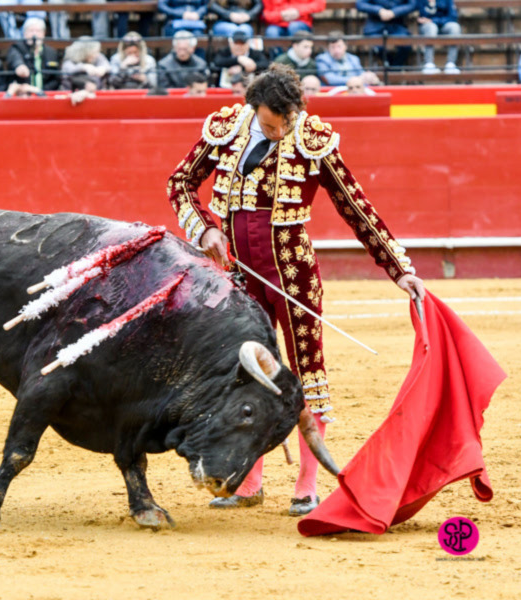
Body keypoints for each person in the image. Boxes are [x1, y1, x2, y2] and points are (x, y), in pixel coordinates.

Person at [166, 63, 424, 515]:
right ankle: (248, 481)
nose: (280, 131)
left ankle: (307, 483)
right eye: (270, 123)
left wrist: (399, 268)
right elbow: (180, 183)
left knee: (307, 373)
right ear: (254, 109)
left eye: (287, 122)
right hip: (238, 277)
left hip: (293, 275)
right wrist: (205, 229)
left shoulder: (312, 139)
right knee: (246, 373)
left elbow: (356, 207)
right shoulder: (228, 128)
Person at [6, 17, 61, 92]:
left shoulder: (51, 52)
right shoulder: (17, 47)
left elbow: (56, 79)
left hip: (45, 95)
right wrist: (19, 65)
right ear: (25, 34)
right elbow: (14, 58)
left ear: (43, 34)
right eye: (31, 31)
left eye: (38, 31)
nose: (34, 35)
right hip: (23, 96)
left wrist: (40, 91)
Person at [356, 0, 415, 67]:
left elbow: (412, 4)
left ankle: (393, 69)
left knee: (406, 45)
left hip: (397, 25)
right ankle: (391, 68)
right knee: (378, 47)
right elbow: (360, 4)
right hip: (375, 26)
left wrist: (394, 12)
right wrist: (379, 10)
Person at [417, 0, 461, 74]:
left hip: (444, 24)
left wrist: (433, 20)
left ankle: (451, 64)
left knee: (455, 27)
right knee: (431, 27)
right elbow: (421, 17)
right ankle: (429, 64)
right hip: (427, 27)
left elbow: (453, 17)